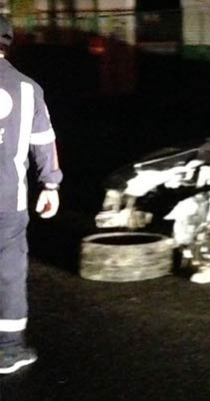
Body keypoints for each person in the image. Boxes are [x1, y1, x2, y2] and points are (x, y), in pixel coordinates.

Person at [0, 15, 62, 375]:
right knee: (8, 271)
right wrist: (50, 185)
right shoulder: (28, 88)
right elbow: (44, 142)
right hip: (9, 199)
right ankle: (8, 350)